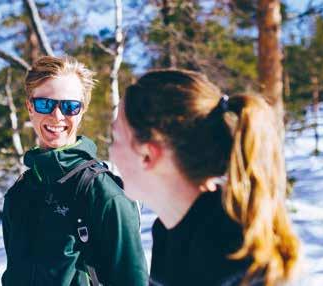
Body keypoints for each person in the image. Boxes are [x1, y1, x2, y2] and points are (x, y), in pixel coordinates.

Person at [110, 69, 301, 286]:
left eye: (115, 138)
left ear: (147, 155)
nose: (111, 153)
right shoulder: (169, 231)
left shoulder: (233, 255)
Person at [2, 56, 148, 286]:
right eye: (45, 104)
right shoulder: (19, 193)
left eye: (70, 106)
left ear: (82, 111)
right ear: (30, 107)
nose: (57, 116)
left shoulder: (103, 193)